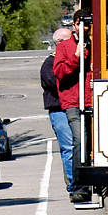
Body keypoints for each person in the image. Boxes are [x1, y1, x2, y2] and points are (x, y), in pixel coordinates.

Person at [53, 9, 93, 203]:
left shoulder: (97, 45)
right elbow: (59, 73)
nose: (84, 27)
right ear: (74, 25)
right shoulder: (64, 46)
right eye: (81, 23)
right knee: (79, 140)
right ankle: (79, 186)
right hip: (74, 103)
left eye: (88, 24)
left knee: (94, 142)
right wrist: (76, 57)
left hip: (93, 100)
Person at [40, 28, 75, 197]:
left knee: (77, 146)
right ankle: (73, 184)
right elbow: (57, 84)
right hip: (59, 110)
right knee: (68, 146)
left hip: (73, 108)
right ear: (60, 43)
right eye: (70, 40)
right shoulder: (49, 64)